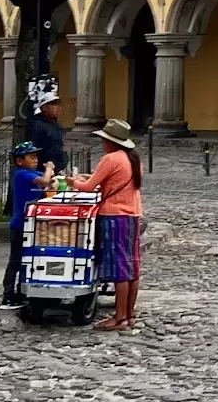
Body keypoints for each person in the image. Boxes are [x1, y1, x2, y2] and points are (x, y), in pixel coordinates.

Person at [72, 118, 144, 331]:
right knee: (132, 265)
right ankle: (130, 315)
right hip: (133, 215)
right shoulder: (133, 158)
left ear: (110, 141)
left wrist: (72, 182)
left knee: (119, 267)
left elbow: (88, 187)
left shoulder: (110, 159)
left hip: (114, 216)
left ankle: (119, 318)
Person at [1, 142, 53, 308]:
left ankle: (22, 291)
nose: (35, 160)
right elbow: (45, 181)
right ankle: (8, 296)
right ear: (19, 161)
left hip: (31, 223)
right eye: (31, 157)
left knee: (28, 259)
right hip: (20, 223)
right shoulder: (22, 174)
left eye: (36, 156)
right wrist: (50, 168)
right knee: (15, 260)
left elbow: (50, 181)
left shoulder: (31, 172)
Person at [26, 90, 68, 175]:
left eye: (57, 104)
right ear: (44, 107)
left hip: (56, 169)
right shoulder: (36, 124)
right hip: (43, 169)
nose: (57, 107)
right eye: (53, 104)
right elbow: (33, 148)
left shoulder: (54, 123)